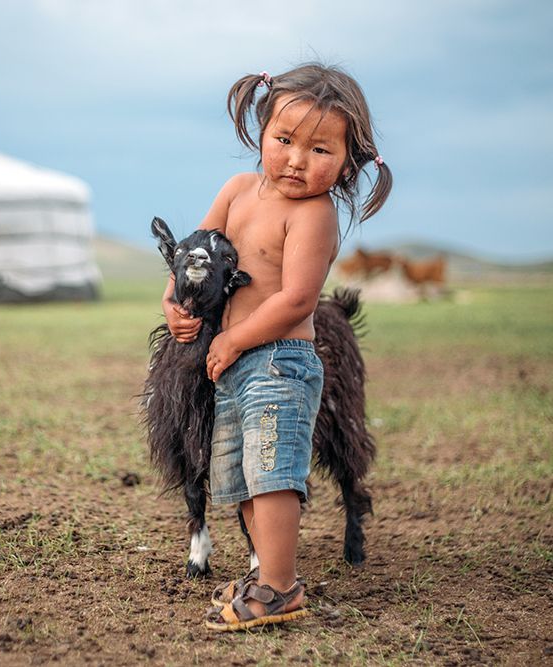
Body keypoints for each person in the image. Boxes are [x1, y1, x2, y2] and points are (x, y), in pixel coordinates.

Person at [160, 63, 392, 631]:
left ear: (347, 161)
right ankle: (264, 572)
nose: (295, 160)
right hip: (236, 365)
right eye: (284, 141)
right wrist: (173, 301)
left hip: (278, 362)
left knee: (274, 472)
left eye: (320, 150)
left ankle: (281, 586)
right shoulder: (237, 191)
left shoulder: (314, 215)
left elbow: (296, 300)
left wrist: (236, 337)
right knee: (239, 476)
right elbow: (197, 248)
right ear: (260, 133)